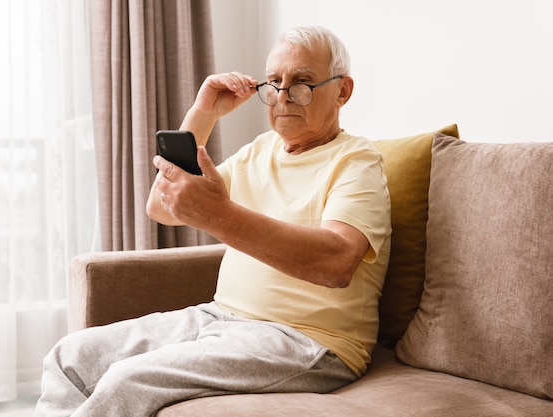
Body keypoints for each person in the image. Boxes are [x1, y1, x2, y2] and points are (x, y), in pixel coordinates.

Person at [34, 25, 391, 417]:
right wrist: (203, 113)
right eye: (274, 82)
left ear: (342, 90)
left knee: (128, 381)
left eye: (302, 82)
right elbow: (162, 205)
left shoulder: (356, 162)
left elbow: (336, 263)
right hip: (220, 317)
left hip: (308, 342)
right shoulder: (260, 150)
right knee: (70, 356)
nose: (283, 96)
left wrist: (221, 216)